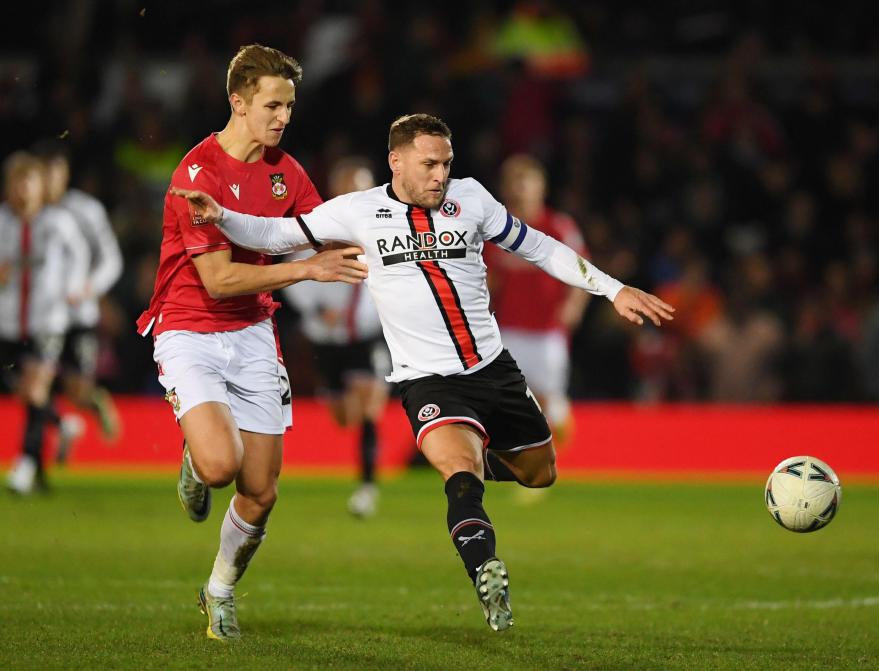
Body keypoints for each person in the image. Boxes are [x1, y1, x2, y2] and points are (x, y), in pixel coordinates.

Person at [172, 113, 674, 633]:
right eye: (429, 163)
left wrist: (614, 289)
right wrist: (223, 216)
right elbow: (276, 233)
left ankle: (477, 482)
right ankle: (485, 570)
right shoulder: (358, 211)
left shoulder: (472, 198)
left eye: (446, 163)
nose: (440, 174)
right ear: (396, 161)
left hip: (493, 370)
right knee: (459, 474)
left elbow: (539, 246)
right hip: (426, 380)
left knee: (540, 471)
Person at [135, 44, 367, 642]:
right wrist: (306, 270)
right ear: (237, 102)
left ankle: (218, 591)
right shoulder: (197, 174)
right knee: (220, 466)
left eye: (289, 104)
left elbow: (327, 233)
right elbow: (218, 279)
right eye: (272, 103)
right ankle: (195, 453)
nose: (283, 116)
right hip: (189, 329)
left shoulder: (286, 172)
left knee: (260, 493)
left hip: (253, 334)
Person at [283, 157, 390, 518]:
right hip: (327, 339)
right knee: (344, 416)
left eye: (359, 187)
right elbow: (290, 272)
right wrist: (315, 311)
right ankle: (365, 481)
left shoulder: (388, 229)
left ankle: (367, 488)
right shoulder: (317, 229)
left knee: (369, 405)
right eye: (346, 186)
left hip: (368, 336)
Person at [484, 154, 590, 448]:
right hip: (510, 329)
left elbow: (583, 270)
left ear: (540, 186)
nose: (519, 188)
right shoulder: (496, 231)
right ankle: (526, 456)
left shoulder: (557, 227)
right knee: (511, 397)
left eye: (525, 181)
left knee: (549, 400)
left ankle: (557, 449)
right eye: (512, 181)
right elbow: (489, 279)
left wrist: (574, 305)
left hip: (547, 331)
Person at [1, 152, 89, 494]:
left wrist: (73, 287)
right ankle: (61, 423)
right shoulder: (3, 222)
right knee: (23, 391)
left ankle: (23, 465)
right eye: (16, 182)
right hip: (8, 322)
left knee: (36, 387)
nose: (23, 190)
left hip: (47, 319)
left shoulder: (57, 222)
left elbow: (79, 255)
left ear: (40, 187)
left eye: (29, 182)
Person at [34, 141, 124, 460]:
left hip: (78, 314)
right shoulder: (26, 214)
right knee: (35, 381)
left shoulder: (86, 211)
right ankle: (60, 428)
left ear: (64, 173)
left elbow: (111, 259)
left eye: (53, 173)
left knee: (75, 389)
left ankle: (82, 407)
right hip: (39, 316)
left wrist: (90, 287)